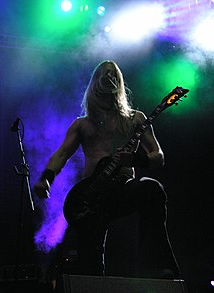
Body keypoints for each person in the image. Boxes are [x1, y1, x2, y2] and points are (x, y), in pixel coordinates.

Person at [34, 60, 180, 279]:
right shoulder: (82, 124)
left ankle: (157, 267)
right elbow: (62, 154)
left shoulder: (135, 119)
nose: (108, 77)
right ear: (95, 82)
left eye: (113, 74)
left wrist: (136, 159)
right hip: (90, 196)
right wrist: (46, 178)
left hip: (122, 188)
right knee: (88, 257)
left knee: (152, 189)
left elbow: (158, 156)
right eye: (104, 73)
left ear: (119, 81)